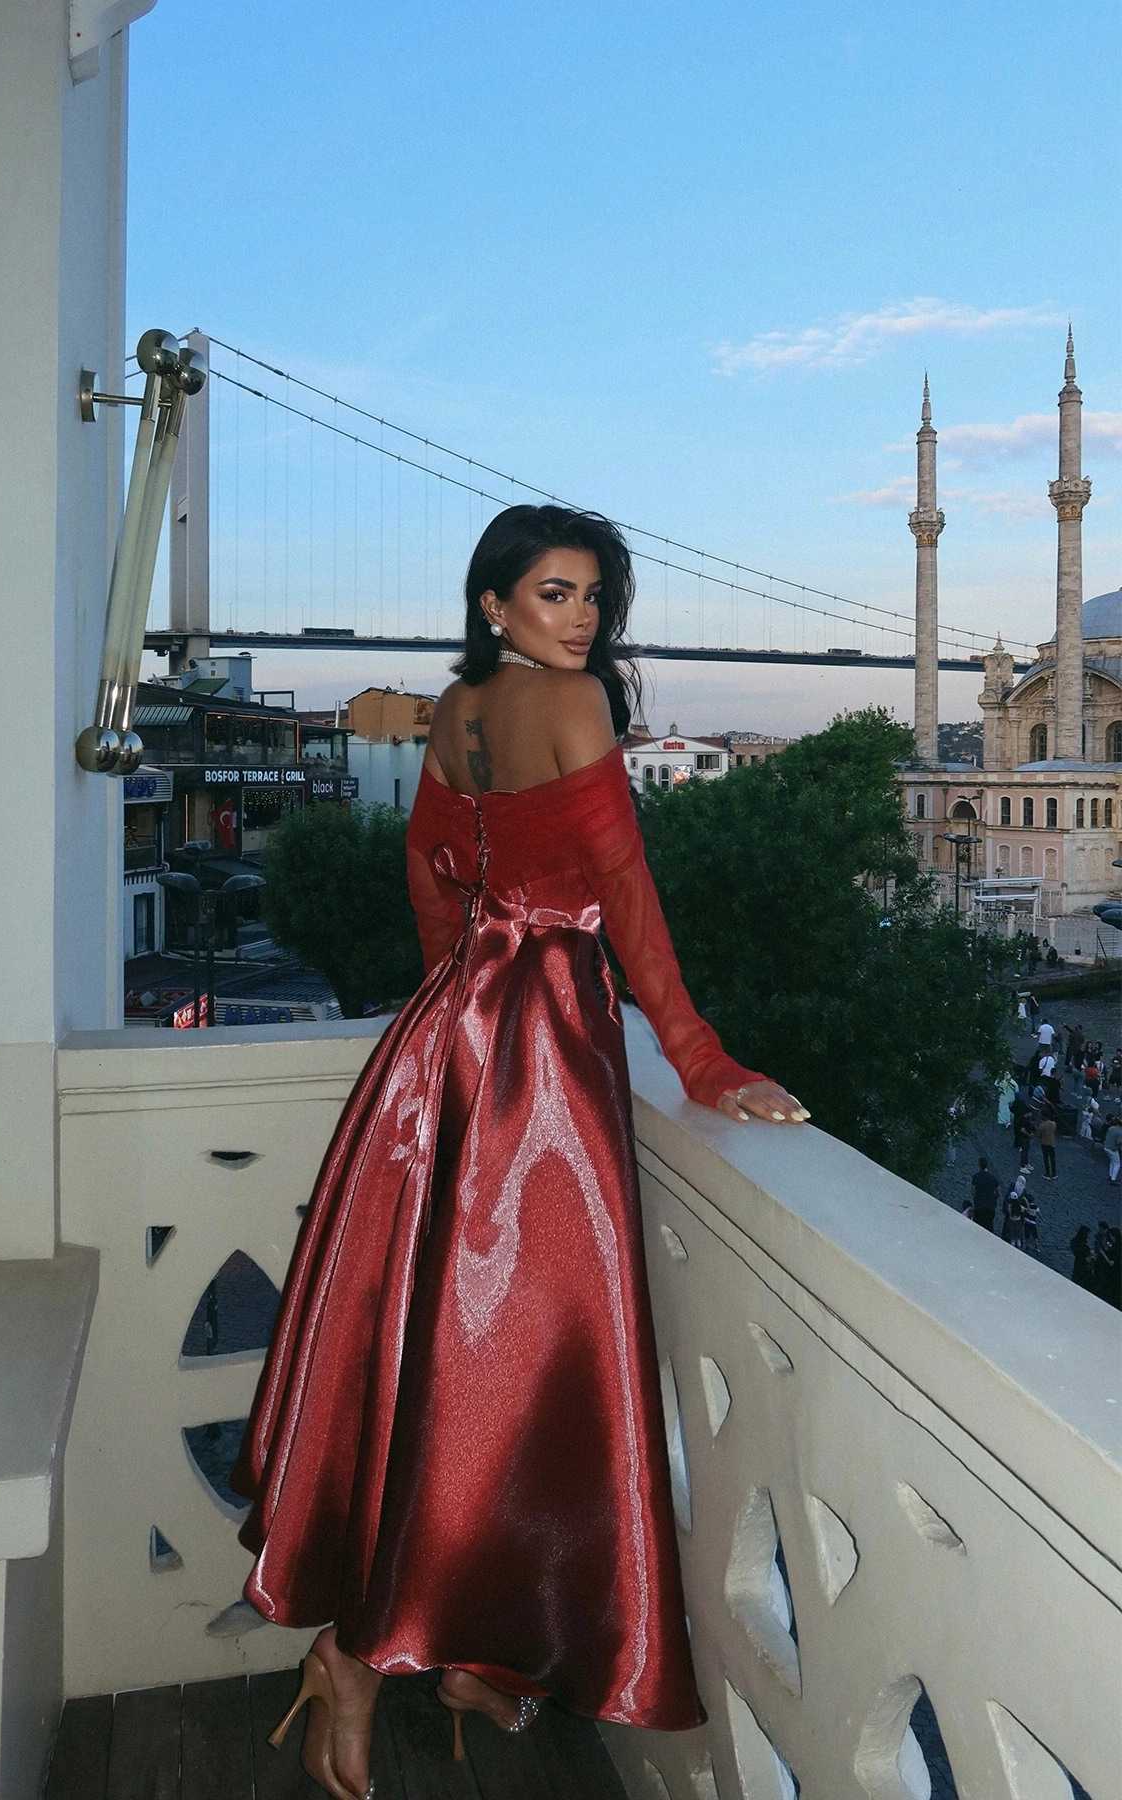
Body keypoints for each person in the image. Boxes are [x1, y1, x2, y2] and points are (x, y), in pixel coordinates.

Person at [230, 507, 807, 1799]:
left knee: (433, 1353)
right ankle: (367, 1654)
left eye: (596, 596)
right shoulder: (578, 707)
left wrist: (457, 1002)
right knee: (519, 1361)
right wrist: (701, 1058)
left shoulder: (457, 712)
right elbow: (626, 891)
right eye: (556, 593)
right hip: (543, 1060)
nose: (584, 618)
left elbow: (430, 870)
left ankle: (474, 1644)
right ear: (495, 602)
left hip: (448, 1044)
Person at [970, 1157, 1000, 1231]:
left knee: (977, 1226)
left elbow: (973, 1192)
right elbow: (999, 1193)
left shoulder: (976, 1176)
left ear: (979, 1165)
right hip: (990, 1207)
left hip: (979, 1206)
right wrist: (993, 1197)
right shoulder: (993, 1178)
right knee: (989, 1226)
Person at [1036, 1109, 1058, 1179]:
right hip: (1052, 1143)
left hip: (1044, 1143)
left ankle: (1047, 1173)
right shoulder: (1053, 1124)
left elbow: (1038, 1134)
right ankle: (1054, 1174)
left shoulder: (1042, 1125)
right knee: (1052, 1159)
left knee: (1046, 1159)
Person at [1103, 1116, 1122, 1185]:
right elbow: (1118, 1143)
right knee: (1117, 1164)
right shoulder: (1120, 1132)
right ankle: (1113, 1180)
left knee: (1112, 1161)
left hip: (1106, 1147)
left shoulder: (1111, 1128)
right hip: (1112, 1149)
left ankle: (1110, 1175)